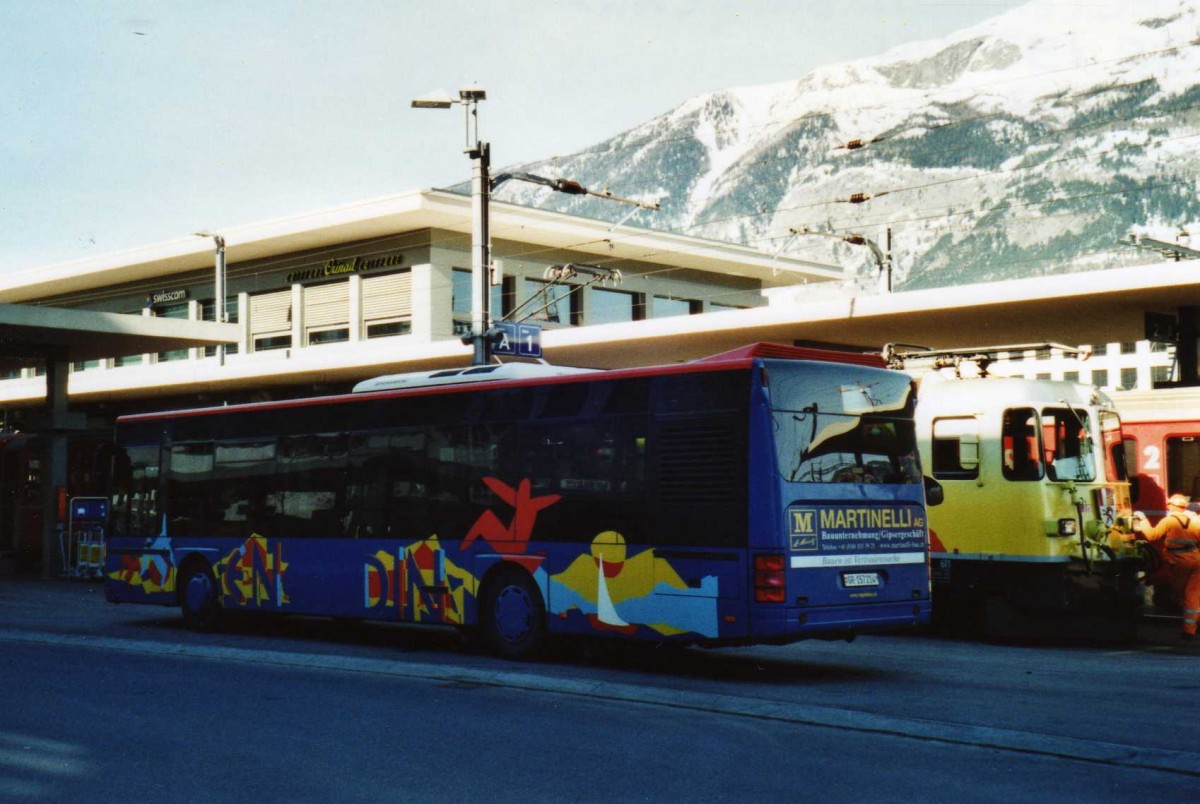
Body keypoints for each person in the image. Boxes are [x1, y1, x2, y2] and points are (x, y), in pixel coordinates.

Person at [1132, 493, 1200, 640]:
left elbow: (1152, 535)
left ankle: (1190, 628)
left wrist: (1142, 519)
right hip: (1197, 560)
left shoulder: (1169, 520)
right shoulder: (1195, 520)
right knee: (1193, 595)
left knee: (1180, 595)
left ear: (1171, 506)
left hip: (1179, 562)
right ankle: (1190, 629)